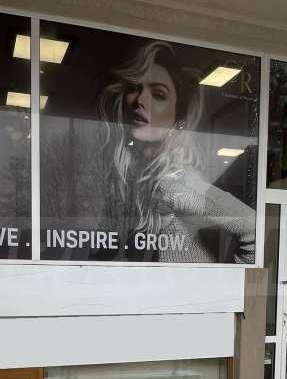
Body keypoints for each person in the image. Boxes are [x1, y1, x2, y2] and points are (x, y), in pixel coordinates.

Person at [96, 40, 255, 263]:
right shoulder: (134, 178)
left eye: (158, 94)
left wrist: (228, 279)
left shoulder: (176, 185)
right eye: (134, 88)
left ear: (178, 118)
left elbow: (253, 226)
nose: (140, 100)